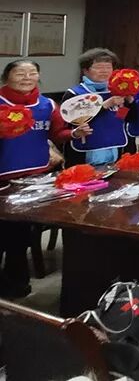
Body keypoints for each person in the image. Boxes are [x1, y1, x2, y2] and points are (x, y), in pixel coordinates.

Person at [0, 59, 70, 298]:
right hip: (3, 180)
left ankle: (16, 284)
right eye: (20, 73)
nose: (27, 78)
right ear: (7, 77)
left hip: (36, 179)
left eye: (32, 73)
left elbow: (58, 133)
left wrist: (74, 133)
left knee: (19, 236)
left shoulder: (47, 105)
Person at [63, 48, 129, 166]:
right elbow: (69, 124)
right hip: (84, 151)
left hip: (114, 146)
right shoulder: (75, 93)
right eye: (98, 67)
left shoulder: (117, 91)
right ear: (85, 70)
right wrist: (105, 105)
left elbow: (123, 118)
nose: (104, 71)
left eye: (108, 67)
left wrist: (130, 102)